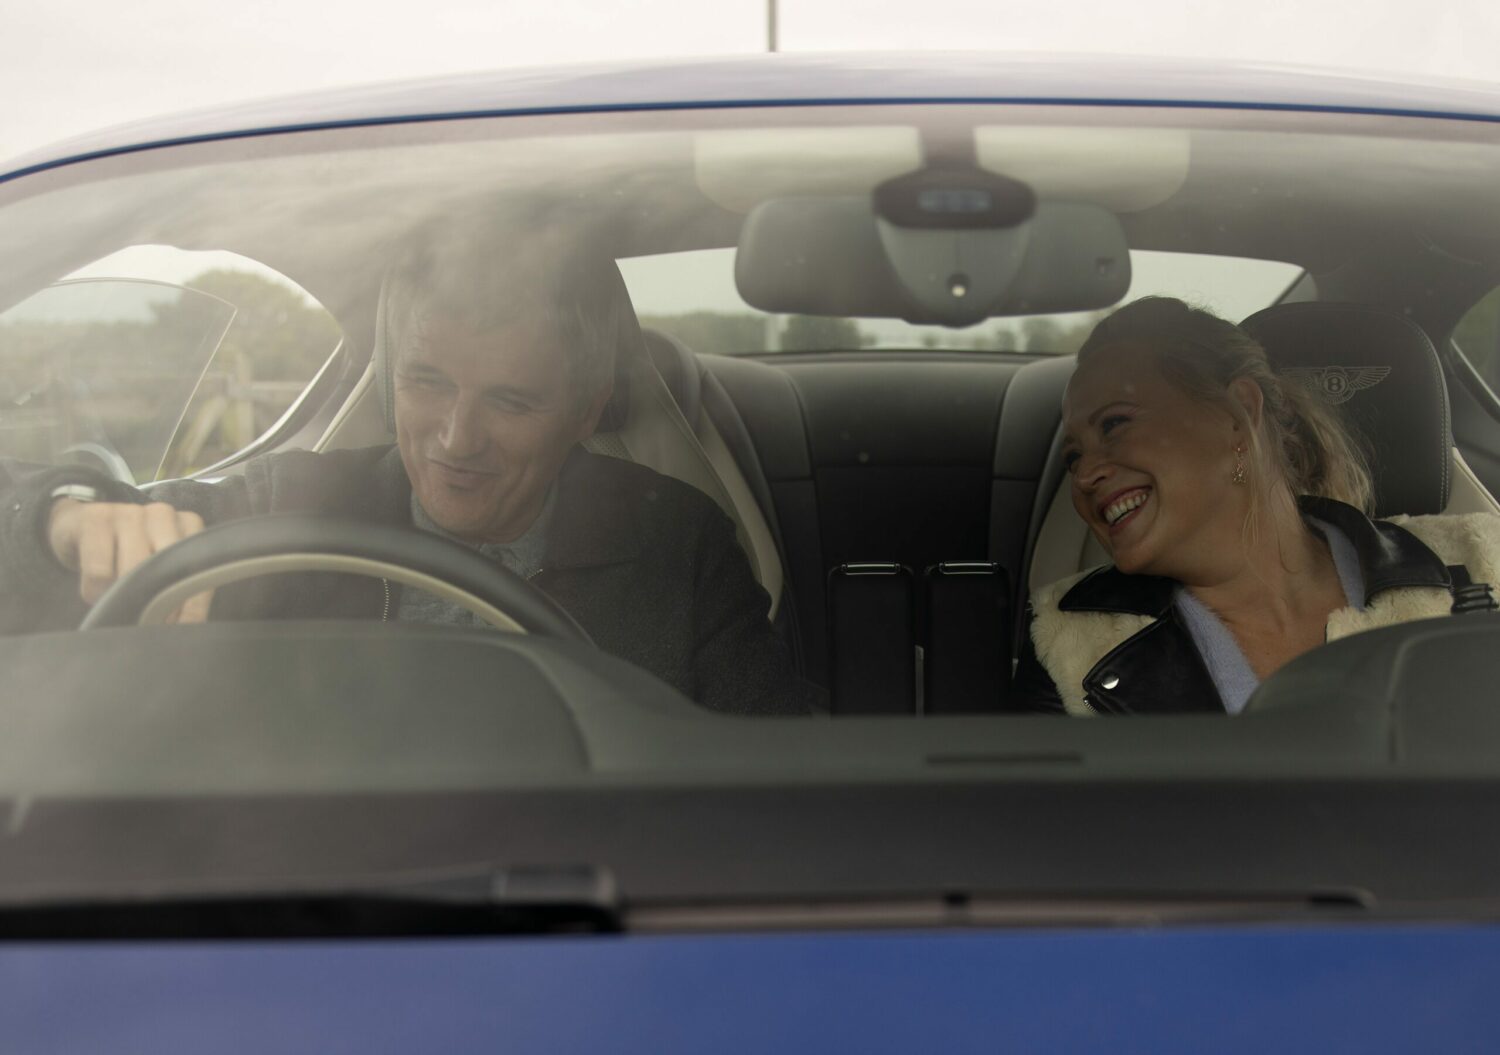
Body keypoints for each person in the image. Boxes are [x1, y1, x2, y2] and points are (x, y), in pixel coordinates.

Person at [0, 226, 817, 716]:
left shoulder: (679, 545)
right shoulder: (288, 504)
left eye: (511, 401)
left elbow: (769, 787)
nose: (456, 439)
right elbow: (46, 556)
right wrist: (64, 516)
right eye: (427, 382)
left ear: (585, 409)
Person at [1012, 296, 1500, 715]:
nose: (1084, 474)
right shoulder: (1065, 644)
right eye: (1073, 456)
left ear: (1238, 413)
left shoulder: (1483, 564)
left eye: (1115, 424)